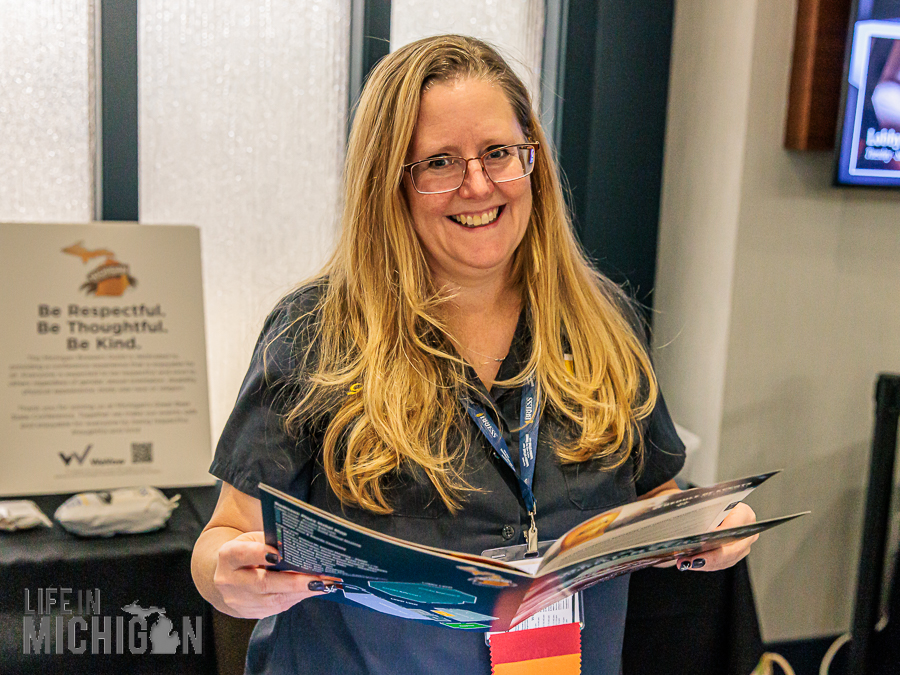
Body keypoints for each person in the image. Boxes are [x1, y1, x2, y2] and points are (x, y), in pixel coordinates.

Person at [191, 34, 758, 675]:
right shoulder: (317, 331)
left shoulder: (601, 323)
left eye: (498, 153)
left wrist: (708, 531)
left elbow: (657, 493)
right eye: (439, 162)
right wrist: (229, 580)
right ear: (390, 183)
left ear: (531, 161)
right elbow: (224, 537)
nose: (478, 185)